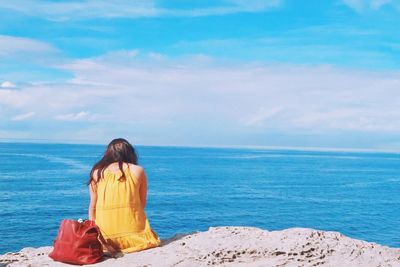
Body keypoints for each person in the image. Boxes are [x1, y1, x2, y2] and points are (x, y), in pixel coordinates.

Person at [87, 138, 161, 254]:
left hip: (105, 239)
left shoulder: (97, 172)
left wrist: (96, 233)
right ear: (130, 152)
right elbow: (142, 203)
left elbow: (92, 206)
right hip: (135, 237)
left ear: (108, 153)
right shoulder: (138, 170)